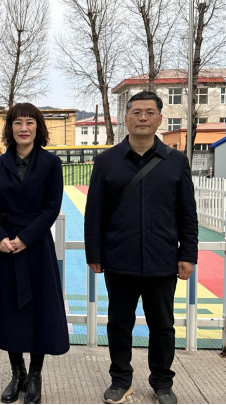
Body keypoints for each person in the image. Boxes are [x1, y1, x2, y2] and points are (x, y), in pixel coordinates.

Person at [85, 91, 199, 405]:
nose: (143, 118)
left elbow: (187, 213)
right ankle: (121, 380)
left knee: (162, 326)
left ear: (160, 119)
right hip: (119, 258)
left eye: (150, 112)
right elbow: (94, 212)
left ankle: (162, 382)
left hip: (163, 259)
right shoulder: (107, 161)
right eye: (136, 112)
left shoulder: (175, 161)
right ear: (126, 118)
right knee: (118, 324)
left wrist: (188, 254)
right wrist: (94, 253)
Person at [0, 103, 70, 405]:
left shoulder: (51, 163)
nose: (23, 128)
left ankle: (36, 374)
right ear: (10, 128)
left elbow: (51, 207)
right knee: (10, 311)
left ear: (38, 127)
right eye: (17, 123)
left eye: (29, 122)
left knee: (39, 310)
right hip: (5, 247)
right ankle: (18, 373)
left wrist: (26, 239)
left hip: (36, 246)